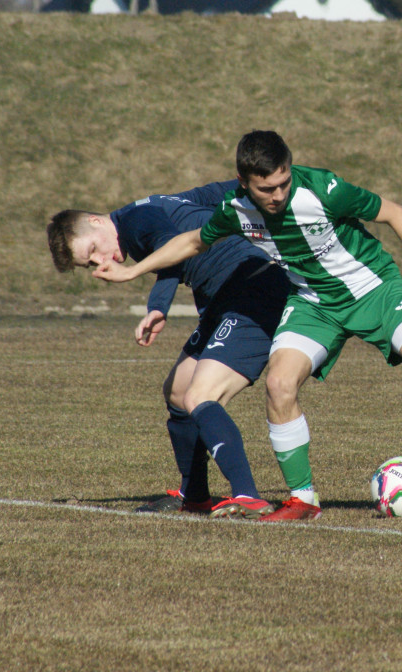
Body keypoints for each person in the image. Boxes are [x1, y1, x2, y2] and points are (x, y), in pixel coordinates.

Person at [92, 130, 402, 521]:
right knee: (279, 384)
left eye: (283, 182)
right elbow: (191, 241)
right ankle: (303, 499)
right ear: (245, 183)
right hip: (312, 305)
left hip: (373, 290)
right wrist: (132, 273)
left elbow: (394, 212)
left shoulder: (323, 189)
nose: (278, 195)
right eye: (266, 189)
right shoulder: (235, 209)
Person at [47, 179, 292, 518]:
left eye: (92, 250)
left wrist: (157, 307)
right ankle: (195, 496)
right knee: (177, 392)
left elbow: (170, 252)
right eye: (90, 263)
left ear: (96, 221)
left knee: (200, 395)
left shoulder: (135, 221)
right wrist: (252, 183)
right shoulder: (152, 208)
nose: (100, 261)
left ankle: (247, 495)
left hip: (253, 290)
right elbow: (211, 196)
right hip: (226, 298)